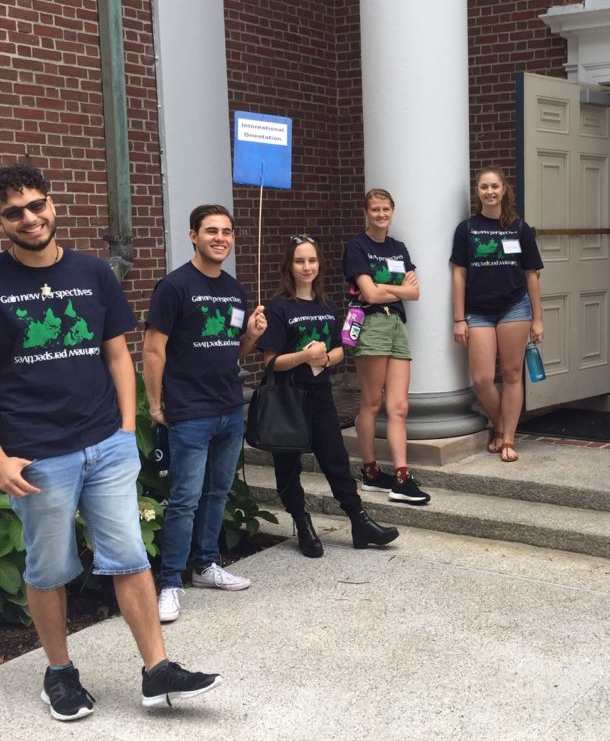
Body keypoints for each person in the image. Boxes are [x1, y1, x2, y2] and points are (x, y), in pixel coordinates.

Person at [0, 163, 221, 721]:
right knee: (48, 569)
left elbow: (118, 352)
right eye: (13, 212)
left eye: (36, 205)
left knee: (128, 556)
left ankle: (157, 670)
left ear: (52, 205)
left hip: (107, 443)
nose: (29, 218)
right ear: (2, 222)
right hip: (38, 453)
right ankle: (59, 673)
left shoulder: (93, 272)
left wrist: (127, 428)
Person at [143, 205, 267, 624]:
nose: (220, 238)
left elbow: (232, 351)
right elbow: (153, 349)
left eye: (227, 232)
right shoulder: (174, 286)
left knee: (217, 493)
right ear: (193, 236)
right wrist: (156, 405)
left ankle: (205, 567)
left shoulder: (235, 290)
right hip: (189, 412)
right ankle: (172, 582)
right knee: (184, 500)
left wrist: (250, 336)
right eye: (211, 231)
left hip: (229, 408)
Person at [258, 235, 400, 556]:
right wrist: (304, 357)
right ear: (289, 266)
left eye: (311, 260)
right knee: (288, 466)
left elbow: (339, 349)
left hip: (321, 395)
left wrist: (326, 358)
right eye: (299, 261)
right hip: (287, 398)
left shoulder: (327, 305)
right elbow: (270, 362)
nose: (306, 267)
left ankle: (359, 521)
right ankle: (302, 523)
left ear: (319, 264)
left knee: (335, 459)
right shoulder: (279, 307)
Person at [451, 167, 544, 463]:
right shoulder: (466, 229)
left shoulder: (519, 228)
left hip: (515, 308)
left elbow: (532, 276)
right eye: (484, 187)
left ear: (504, 190)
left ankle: (507, 437)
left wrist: (538, 319)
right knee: (481, 379)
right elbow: (458, 275)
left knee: (513, 374)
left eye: (495, 186)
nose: (490, 192)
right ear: (477, 192)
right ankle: (500, 423)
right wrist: (458, 318)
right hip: (478, 312)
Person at [342, 188, 429, 505]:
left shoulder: (398, 248)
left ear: (393, 211)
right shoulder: (357, 246)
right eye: (374, 209)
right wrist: (396, 291)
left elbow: (415, 293)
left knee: (399, 407)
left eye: (385, 209)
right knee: (371, 403)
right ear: (367, 212)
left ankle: (402, 478)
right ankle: (370, 472)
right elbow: (369, 295)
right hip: (373, 324)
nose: (380, 214)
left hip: (397, 326)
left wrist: (384, 290)